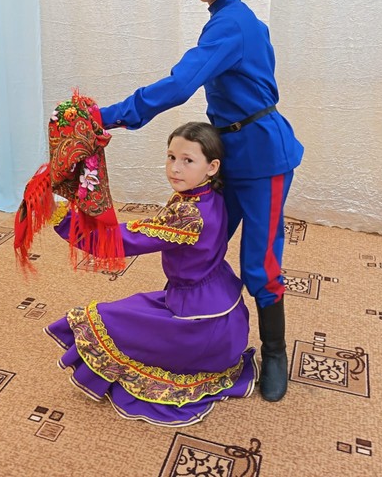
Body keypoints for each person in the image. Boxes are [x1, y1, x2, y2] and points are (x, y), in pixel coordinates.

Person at [97, 0, 304, 402]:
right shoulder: (226, 21)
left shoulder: (234, 24)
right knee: (200, 246)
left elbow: (180, 84)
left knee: (259, 262)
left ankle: (275, 352)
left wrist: (106, 116)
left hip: (263, 157)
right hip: (225, 152)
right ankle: (202, 331)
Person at [45, 122, 258, 426]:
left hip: (203, 327)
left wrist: (64, 219)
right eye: (171, 157)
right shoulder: (210, 195)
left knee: (101, 319)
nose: (175, 168)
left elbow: (121, 241)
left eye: (187, 160)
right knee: (133, 310)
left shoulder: (188, 214)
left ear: (212, 167)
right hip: (223, 312)